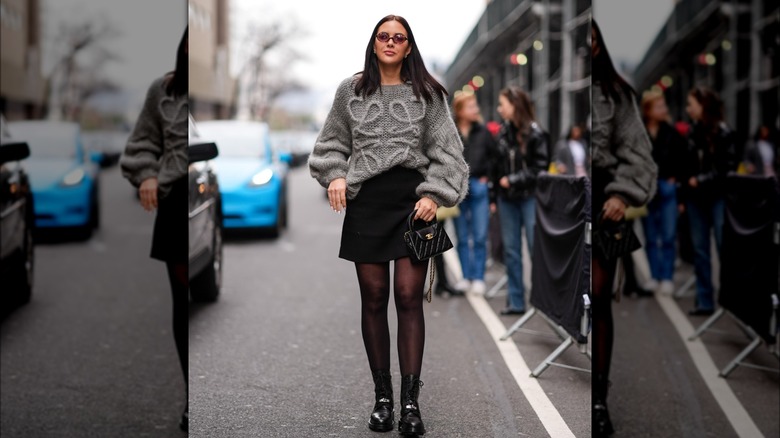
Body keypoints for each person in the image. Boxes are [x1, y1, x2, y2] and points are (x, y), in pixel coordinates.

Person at [307, 15, 468, 436]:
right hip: (368, 204)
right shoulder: (351, 91)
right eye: (385, 36)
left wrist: (434, 195)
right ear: (374, 42)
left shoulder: (429, 94)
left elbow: (449, 154)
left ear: (409, 46)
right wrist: (336, 174)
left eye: (400, 37)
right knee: (374, 297)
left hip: (413, 204)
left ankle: (411, 404)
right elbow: (329, 144)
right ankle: (383, 399)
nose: (391, 42)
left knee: (408, 296)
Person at [119, 28, 189, 431]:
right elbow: (142, 142)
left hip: (199, 193)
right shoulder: (163, 91)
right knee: (181, 303)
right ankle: (189, 397)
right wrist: (146, 174)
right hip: (173, 199)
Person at [591, 20, 657, 436]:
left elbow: (639, 155)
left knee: (599, 298)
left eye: (593, 38)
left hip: (604, 201)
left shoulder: (617, 93)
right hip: (568, 200)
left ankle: (598, 400)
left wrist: (623, 194)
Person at [488, 86, 549, 316]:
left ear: (514, 105)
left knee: (536, 249)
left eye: (502, 104)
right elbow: (495, 169)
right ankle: (516, 301)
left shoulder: (536, 133)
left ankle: (544, 301)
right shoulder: (502, 134)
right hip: (507, 200)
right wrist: (495, 195)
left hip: (529, 198)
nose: (499, 108)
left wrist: (512, 180)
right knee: (511, 251)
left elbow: (540, 169)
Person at [679, 86, 738, 316]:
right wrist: (685, 192)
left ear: (702, 105)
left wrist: (699, 180)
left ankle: (732, 300)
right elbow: (685, 165)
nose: (687, 108)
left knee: (724, 249)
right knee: (700, 251)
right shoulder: (692, 131)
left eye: (690, 104)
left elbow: (727, 169)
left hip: (717, 197)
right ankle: (705, 301)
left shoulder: (724, 132)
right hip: (696, 200)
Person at [640, 91, 687, 295]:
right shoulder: (639, 131)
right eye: (659, 106)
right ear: (648, 110)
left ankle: (666, 277)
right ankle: (654, 275)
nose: (664, 109)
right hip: (647, 189)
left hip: (667, 188)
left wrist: (674, 179)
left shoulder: (672, 132)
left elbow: (682, 159)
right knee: (650, 236)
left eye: (664, 105)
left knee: (668, 236)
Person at [451, 93, 495, 295]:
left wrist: (488, 179)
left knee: (479, 235)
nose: (476, 109)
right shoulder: (450, 132)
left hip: (478, 186)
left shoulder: (484, 132)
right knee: (461, 236)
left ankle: (478, 278)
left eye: (475, 105)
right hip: (457, 188)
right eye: (470, 106)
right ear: (459, 110)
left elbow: (495, 159)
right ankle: (465, 277)